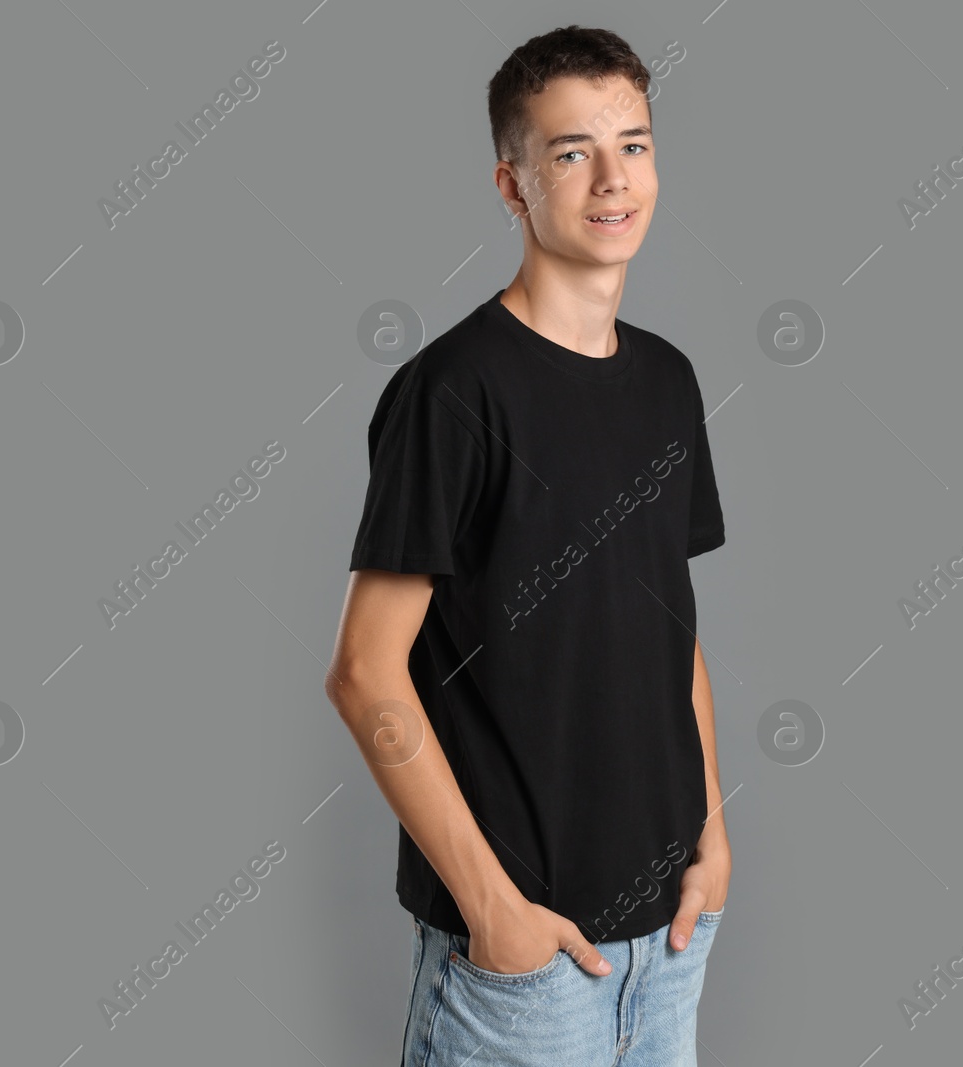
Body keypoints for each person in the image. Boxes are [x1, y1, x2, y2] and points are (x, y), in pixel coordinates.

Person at [325, 24, 730, 1066]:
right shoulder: (453, 394)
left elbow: (668, 626)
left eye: (632, 145)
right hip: (522, 963)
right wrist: (492, 909)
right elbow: (366, 673)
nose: (611, 179)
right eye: (570, 152)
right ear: (511, 185)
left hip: (672, 941)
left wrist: (712, 836)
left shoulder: (669, 380)